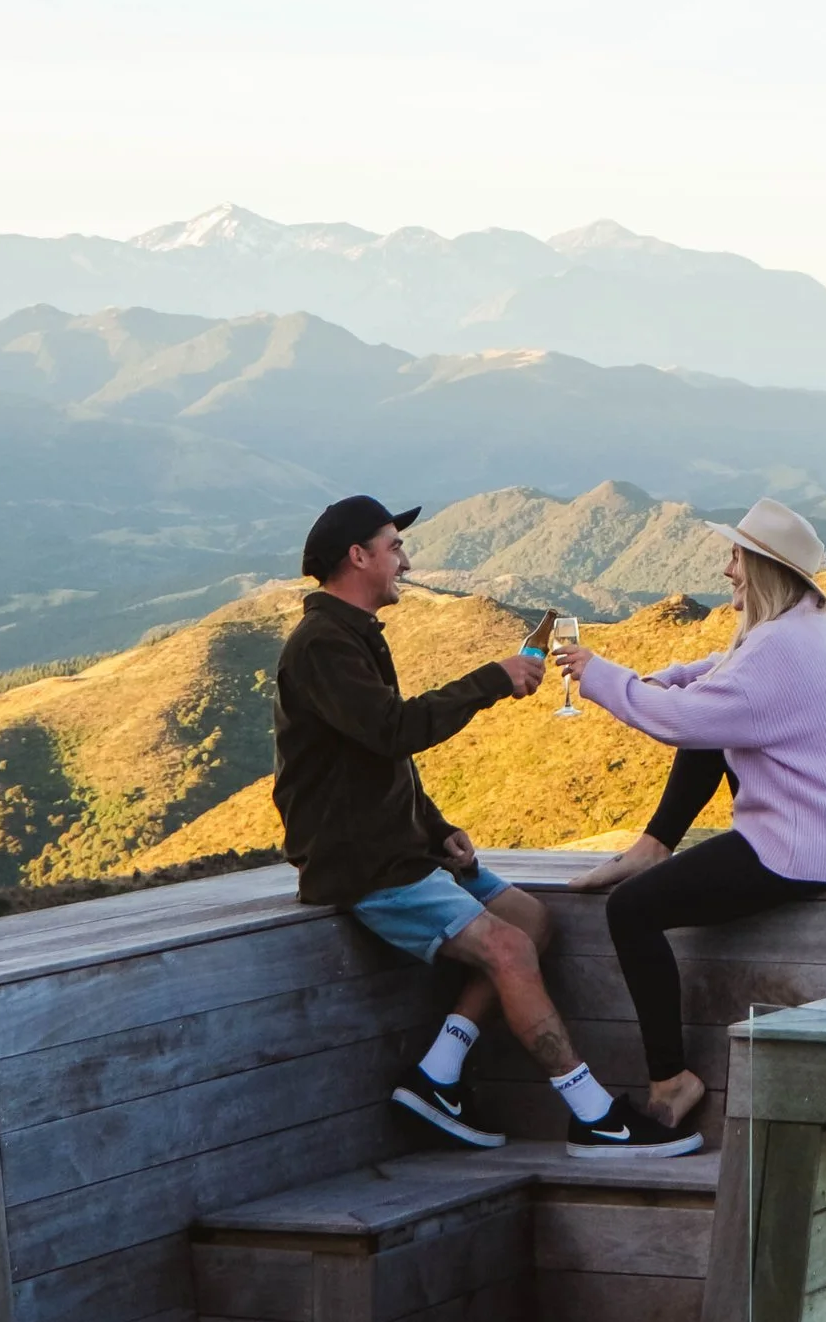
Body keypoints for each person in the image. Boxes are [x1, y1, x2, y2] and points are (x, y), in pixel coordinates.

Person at [272, 493, 679, 1155]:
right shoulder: (322, 644)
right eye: (394, 546)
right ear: (358, 556)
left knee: (531, 922)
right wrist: (491, 679)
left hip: (403, 848)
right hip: (365, 864)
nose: (405, 559)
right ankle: (593, 1114)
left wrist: (435, 828)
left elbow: (373, 759)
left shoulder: (350, 635)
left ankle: (438, 1075)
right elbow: (391, 731)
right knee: (509, 949)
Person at [551, 497, 826, 1147]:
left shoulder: (782, 648)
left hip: (801, 844)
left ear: (762, 568)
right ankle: (654, 845)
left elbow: (682, 720)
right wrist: (647, 679)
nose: (727, 568)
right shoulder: (807, 627)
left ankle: (670, 1085)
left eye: (736, 556)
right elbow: (713, 679)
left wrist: (600, 679)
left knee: (632, 910)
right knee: (708, 722)